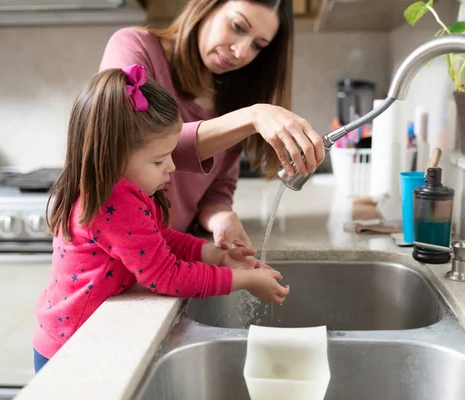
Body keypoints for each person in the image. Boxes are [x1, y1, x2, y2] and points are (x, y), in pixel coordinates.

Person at [32, 65, 290, 374]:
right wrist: (244, 280)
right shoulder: (114, 201)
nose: (170, 167)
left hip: (74, 338)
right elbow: (166, 276)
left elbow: (157, 237)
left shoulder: (117, 188)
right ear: (111, 155)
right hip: (71, 351)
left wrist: (214, 254)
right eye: (158, 160)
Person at [99, 0, 326, 250]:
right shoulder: (133, 45)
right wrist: (252, 117)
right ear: (208, 6)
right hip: (114, 260)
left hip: (165, 258)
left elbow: (217, 190)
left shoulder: (229, 98)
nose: (241, 52)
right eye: (238, 26)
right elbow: (133, 144)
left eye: (257, 46)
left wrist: (220, 217)